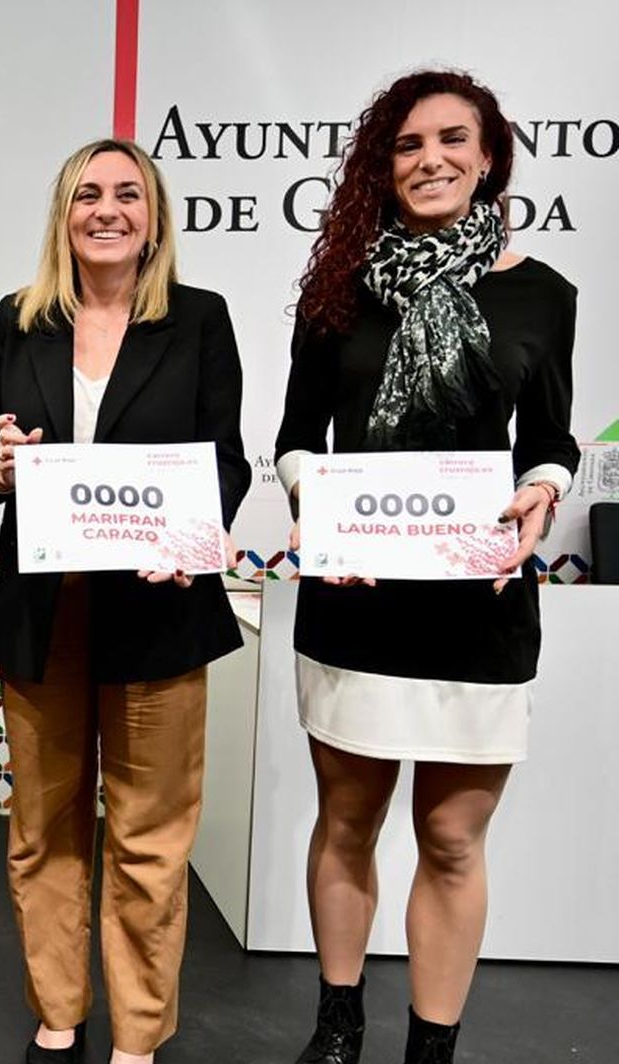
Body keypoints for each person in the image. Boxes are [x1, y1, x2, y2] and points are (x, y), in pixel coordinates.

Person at [274, 70, 578, 1064]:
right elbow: (293, 436)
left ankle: (431, 1046)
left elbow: (550, 437)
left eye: (452, 139)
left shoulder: (542, 292)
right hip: (354, 598)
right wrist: (312, 503)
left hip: (478, 603)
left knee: (451, 840)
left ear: (489, 156)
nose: (430, 159)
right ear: (382, 163)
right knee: (346, 821)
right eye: (406, 144)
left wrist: (542, 483)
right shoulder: (337, 287)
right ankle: (337, 1020)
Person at [0, 140, 247, 1064]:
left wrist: (194, 539)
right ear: (64, 215)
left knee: (150, 840)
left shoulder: (199, 319)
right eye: (88, 194)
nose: (107, 209)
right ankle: (58, 1007)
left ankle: (139, 1032)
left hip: (160, 613)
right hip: (46, 617)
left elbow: (225, 458)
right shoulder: (20, 317)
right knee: (43, 830)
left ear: (154, 217)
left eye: (128, 193)